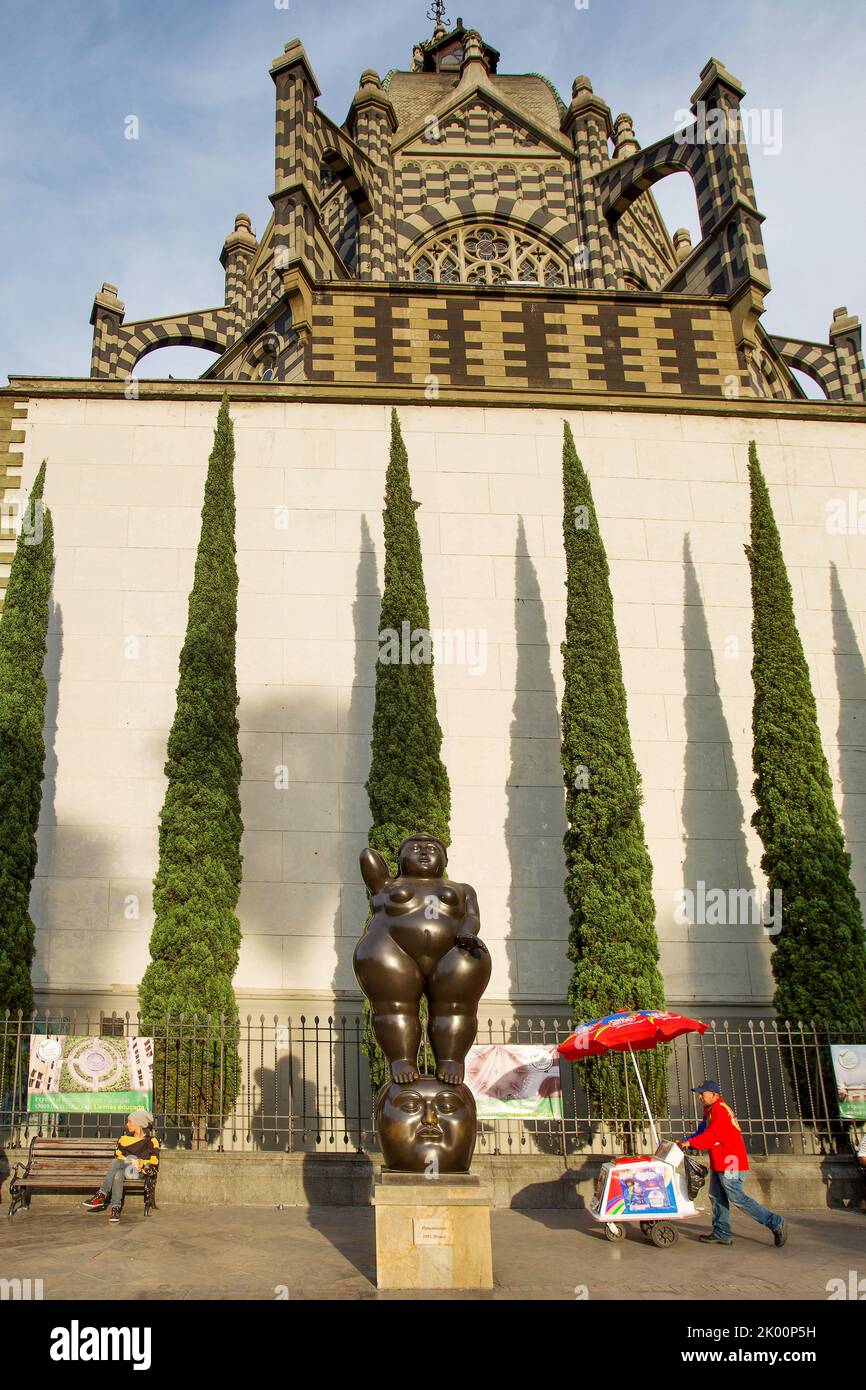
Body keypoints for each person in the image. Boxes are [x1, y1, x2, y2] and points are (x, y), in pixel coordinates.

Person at [679, 1080, 787, 1247]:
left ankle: (775, 1222)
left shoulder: (720, 1111)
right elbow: (703, 1130)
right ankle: (722, 1232)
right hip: (720, 1159)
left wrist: (691, 1143)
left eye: (702, 1093)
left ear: (714, 1094)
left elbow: (712, 1136)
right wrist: (687, 1140)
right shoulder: (710, 1109)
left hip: (730, 1160)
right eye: (699, 1093)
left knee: (737, 1197)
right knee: (716, 1196)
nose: (699, 1096)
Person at [82, 1109, 159, 1223]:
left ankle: (102, 1194)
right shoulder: (123, 1139)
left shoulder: (151, 1141)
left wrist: (139, 1162)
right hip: (125, 1169)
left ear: (138, 1124)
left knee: (116, 1163)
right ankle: (115, 1209)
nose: (127, 1124)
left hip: (139, 1172)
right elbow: (118, 1156)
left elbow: (154, 1162)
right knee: (117, 1173)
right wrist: (131, 1160)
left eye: (130, 1122)